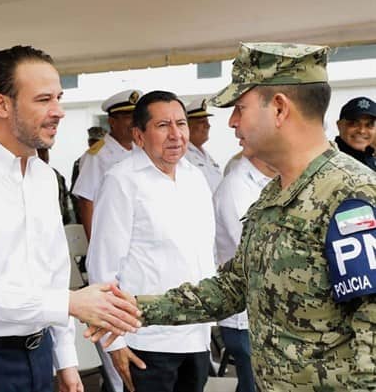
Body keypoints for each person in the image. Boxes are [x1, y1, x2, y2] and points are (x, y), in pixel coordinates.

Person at [89, 42, 376, 391]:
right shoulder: (276, 193)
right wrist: (133, 309)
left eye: (240, 107)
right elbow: (234, 286)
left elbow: (370, 335)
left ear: (280, 109)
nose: (232, 121)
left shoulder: (350, 193)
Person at [0, 45, 141, 392]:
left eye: (58, 97)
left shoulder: (44, 177)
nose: (59, 111)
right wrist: (71, 303)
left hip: (39, 352)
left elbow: (53, 273)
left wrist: (66, 361)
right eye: (43, 100)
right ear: (2, 104)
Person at [87, 91, 217, 392]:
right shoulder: (122, 181)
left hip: (196, 336)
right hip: (146, 341)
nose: (176, 134)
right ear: (139, 135)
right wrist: (115, 342)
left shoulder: (195, 178)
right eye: (162, 126)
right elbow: (103, 270)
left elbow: (204, 257)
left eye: (181, 124)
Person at [212, 146, 276, 392]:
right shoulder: (236, 187)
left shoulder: (273, 181)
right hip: (246, 318)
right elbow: (257, 252)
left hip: (266, 316)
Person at [72, 89, 142, 239]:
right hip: (111, 234)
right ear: (112, 121)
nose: (134, 122)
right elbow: (86, 201)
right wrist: (94, 244)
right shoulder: (97, 155)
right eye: (128, 117)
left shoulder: (140, 151)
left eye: (136, 117)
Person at [69, 126, 107, 224]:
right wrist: (80, 216)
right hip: (88, 213)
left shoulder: (108, 160)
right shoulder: (81, 162)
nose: (94, 144)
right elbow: (77, 193)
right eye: (92, 141)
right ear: (89, 142)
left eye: (97, 142)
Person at [184, 98, 222, 192]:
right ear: (188, 126)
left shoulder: (206, 155)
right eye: (202, 122)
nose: (208, 126)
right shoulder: (183, 155)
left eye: (207, 121)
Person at [335, 96, 376, 171]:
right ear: (339, 125)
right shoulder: (330, 161)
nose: (362, 131)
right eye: (353, 124)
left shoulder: (372, 159)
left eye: (369, 125)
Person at [37, 147, 72, 224]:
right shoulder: (27, 175)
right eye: (40, 152)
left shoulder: (56, 175)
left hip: (59, 224)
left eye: (45, 151)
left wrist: (66, 220)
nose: (44, 155)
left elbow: (64, 198)